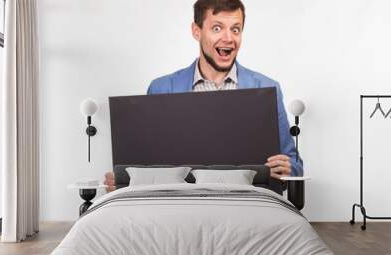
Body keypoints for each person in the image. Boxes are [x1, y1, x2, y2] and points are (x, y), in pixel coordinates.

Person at [104, 0, 303, 192]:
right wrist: (124, 180)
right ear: (196, 31)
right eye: (217, 28)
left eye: (235, 29)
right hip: (180, 204)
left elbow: (294, 165)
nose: (228, 38)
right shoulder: (161, 88)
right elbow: (148, 166)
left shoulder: (267, 88)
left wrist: (287, 169)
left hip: (247, 203)